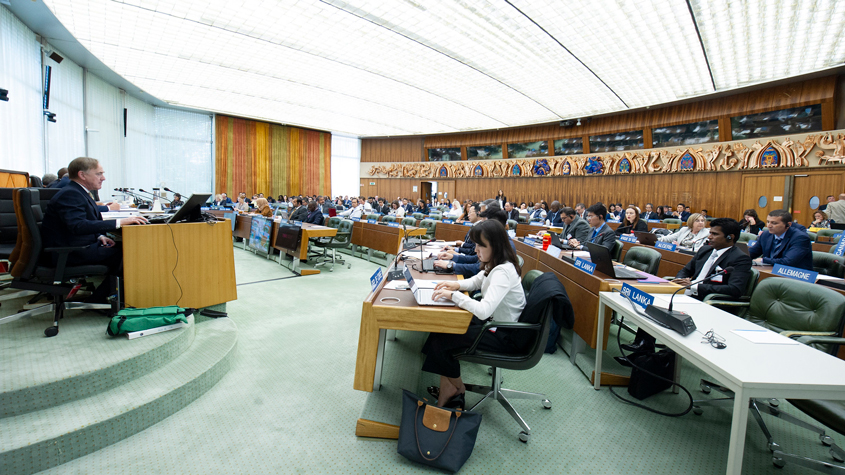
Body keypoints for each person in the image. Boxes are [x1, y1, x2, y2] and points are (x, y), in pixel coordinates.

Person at [617, 218, 753, 365]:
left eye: (714, 234)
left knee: (665, 308)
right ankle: (643, 349)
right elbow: (686, 270)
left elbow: (735, 289)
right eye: (710, 233)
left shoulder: (740, 259)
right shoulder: (705, 250)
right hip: (687, 293)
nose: (709, 237)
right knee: (653, 302)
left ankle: (648, 358)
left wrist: (694, 286)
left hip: (707, 300)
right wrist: (680, 281)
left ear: (730, 237)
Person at [423, 219, 526, 408]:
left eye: (481, 245)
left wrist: (454, 295)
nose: (476, 249)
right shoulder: (495, 263)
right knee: (442, 329)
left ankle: (457, 388)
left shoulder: (502, 271)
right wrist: (455, 284)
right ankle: (450, 388)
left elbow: (483, 310)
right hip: (494, 324)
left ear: (495, 245)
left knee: (441, 341)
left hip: (504, 334)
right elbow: (477, 282)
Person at [40, 157, 148, 302]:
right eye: (98, 174)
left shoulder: (78, 192)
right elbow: (77, 226)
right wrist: (119, 222)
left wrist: (99, 236)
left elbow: (81, 222)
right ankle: (102, 298)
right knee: (132, 252)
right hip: (69, 251)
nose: (103, 178)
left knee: (129, 249)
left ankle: (105, 296)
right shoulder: (71, 194)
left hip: (76, 245)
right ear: (82, 175)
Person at [748, 209, 813, 270]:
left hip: (795, 275)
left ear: (788, 225)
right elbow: (752, 252)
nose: (769, 226)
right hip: (769, 271)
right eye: (768, 222)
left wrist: (763, 260)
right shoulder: (766, 235)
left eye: (774, 223)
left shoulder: (800, 238)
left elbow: (788, 261)